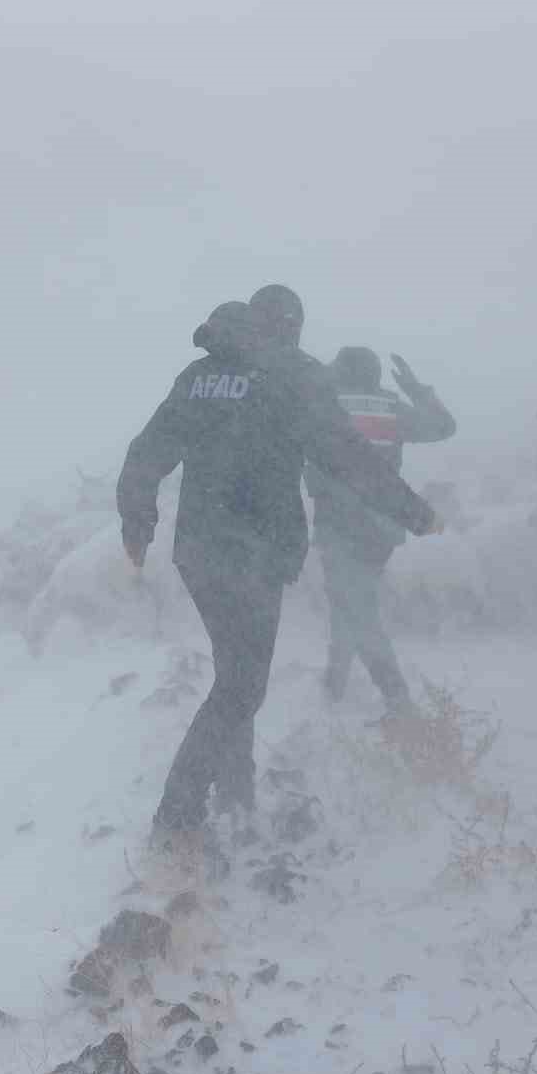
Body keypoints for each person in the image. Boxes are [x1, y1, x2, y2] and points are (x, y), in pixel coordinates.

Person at [117, 286, 442, 846]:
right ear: (290, 326)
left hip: (198, 550)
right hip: (257, 553)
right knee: (243, 685)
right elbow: (348, 457)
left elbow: (148, 450)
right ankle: (176, 822)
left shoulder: (201, 375)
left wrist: (136, 523)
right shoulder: (296, 374)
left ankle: (236, 795)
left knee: (232, 675)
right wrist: (413, 511)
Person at [305, 346, 455, 713]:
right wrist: (416, 390)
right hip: (383, 526)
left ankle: (398, 700)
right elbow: (444, 426)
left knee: (357, 608)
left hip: (338, 524)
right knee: (351, 599)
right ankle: (335, 678)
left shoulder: (325, 405)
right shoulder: (390, 408)